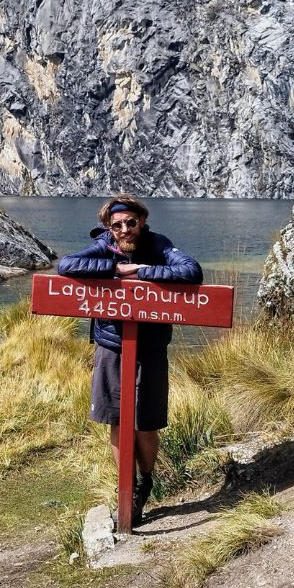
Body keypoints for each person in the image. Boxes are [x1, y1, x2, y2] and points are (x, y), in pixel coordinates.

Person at [57, 195, 202, 527]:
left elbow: (191, 271)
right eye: (117, 224)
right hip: (111, 346)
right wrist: (115, 267)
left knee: (145, 422)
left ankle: (146, 478)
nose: (125, 229)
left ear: (142, 221)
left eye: (131, 222)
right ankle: (128, 488)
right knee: (116, 419)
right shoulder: (106, 246)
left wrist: (143, 270)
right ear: (109, 227)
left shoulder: (158, 243)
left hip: (150, 348)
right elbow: (66, 265)